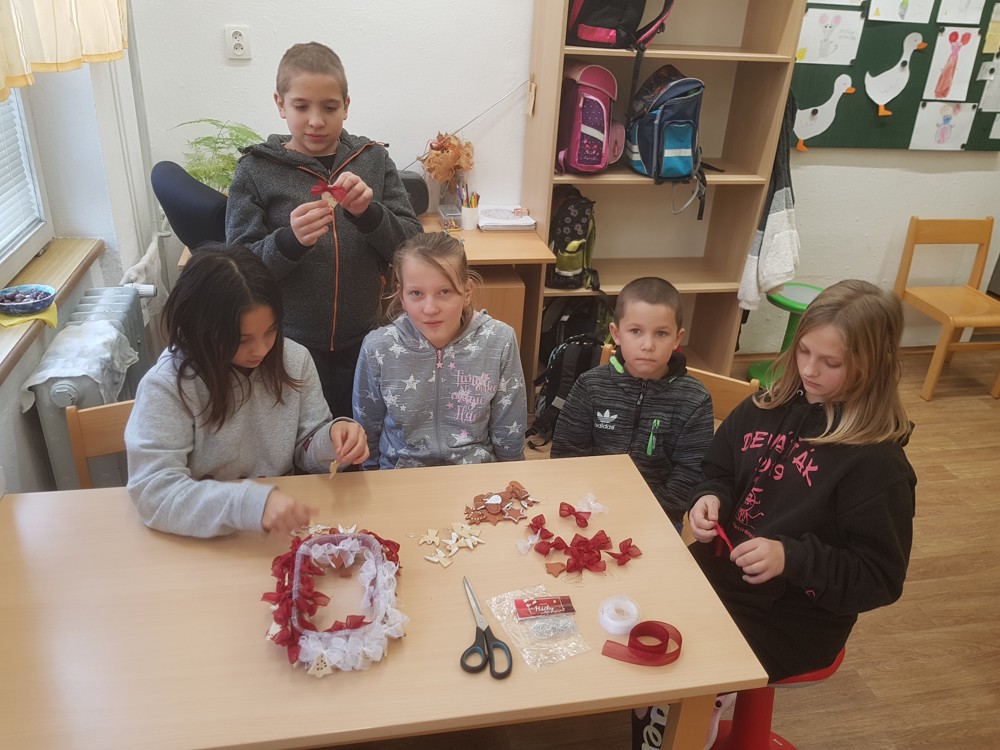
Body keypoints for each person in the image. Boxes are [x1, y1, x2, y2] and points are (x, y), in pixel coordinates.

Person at [688, 279, 916, 685]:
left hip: (789, 621)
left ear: (874, 365)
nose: (809, 370)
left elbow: (879, 578)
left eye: (831, 363)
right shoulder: (765, 405)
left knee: (685, 663)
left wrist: (791, 558)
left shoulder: (878, 465)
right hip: (718, 573)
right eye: (804, 351)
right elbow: (719, 469)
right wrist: (710, 496)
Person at [226, 41, 422, 419]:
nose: (316, 120)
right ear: (280, 104)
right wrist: (288, 241)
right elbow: (239, 269)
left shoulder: (373, 160)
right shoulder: (255, 170)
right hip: (287, 346)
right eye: (301, 106)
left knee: (360, 432)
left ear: (346, 105)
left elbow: (413, 249)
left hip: (366, 339)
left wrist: (370, 215)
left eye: (329, 108)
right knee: (303, 437)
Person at [125, 245, 369, 539]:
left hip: (275, 530)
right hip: (199, 536)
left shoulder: (294, 359)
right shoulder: (167, 385)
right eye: (241, 340)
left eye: (271, 331)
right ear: (200, 330)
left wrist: (332, 439)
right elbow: (153, 492)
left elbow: (306, 445)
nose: (261, 350)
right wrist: (249, 504)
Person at [353, 232, 527, 468]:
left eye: (444, 292)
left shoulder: (500, 340)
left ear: (467, 292)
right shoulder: (377, 347)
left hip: (475, 472)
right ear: (402, 296)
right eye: (416, 293)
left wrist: (512, 476)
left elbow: (509, 431)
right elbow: (366, 432)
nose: (430, 308)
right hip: (400, 473)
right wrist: (371, 478)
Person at [550, 277, 714, 527]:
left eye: (661, 333)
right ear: (616, 334)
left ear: (677, 338)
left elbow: (691, 473)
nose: (648, 345)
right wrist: (585, 502)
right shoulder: (590, 385)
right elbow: (567, 453)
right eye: (635, 331)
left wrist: (650, 514)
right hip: (589, 506)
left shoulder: (695, 399)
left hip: (657, 515)